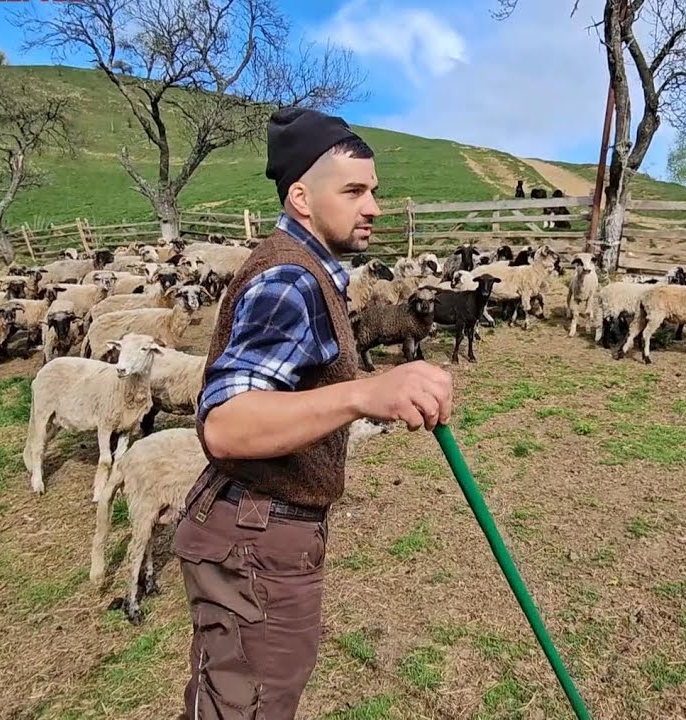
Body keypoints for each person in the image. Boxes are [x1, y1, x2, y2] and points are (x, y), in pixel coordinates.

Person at [172, 107, 455, 719]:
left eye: (374, 190)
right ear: (301, 197)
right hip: (255, 537)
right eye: (353, 191)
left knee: (233, 699)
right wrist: (362, 394)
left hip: (258, 530)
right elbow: (225, 424)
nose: (373, 206)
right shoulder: (289, 281)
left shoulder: (311, 273)